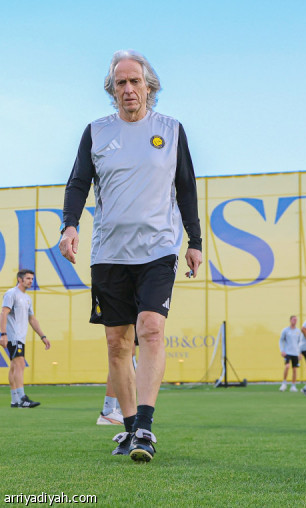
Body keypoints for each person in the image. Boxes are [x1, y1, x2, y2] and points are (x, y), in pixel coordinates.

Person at [59, 50, 203, 461]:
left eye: (134, 82)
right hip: (109, 252)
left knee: (152, 328)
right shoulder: (96, 132)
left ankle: (145, 425)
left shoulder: (171, 130)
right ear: (112, 90)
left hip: (158, 249)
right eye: (120, 83)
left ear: (149, 86)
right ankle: (127, 430)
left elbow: (186, 187)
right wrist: (70, 225)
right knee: (117, 344)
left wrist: (193, 241)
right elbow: (78, 183)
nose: (128, 90)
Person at [1, 270, 51, 408]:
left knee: (14, 366)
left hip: (20, 337)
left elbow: (32, 319)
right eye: (28, 278)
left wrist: (43, 336)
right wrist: (3, 334)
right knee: (20, 364)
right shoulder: (11, 294)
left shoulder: (27, 298)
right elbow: (3, 313)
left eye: (32, 279)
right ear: (19, 279)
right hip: (13, 336)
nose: (30, 281)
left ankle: (15, 400)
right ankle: (22, 398)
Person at [279, 315, 303, 392]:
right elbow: (281, 340)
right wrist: (282, 350)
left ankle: (293, 386)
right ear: (290, 320)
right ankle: (284, 383)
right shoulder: (285, 330)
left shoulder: (298, 331)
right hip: (287, 352)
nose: (295, 321)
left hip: (295, 353)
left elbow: (300, 342)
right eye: (293, 319)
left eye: (296, 320)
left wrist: (300, 353)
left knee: (295, 369)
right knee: (287, 366)